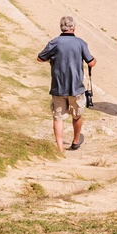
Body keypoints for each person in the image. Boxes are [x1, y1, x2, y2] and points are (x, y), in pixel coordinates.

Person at [37, 16, 95, 151]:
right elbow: (91, 62)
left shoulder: (54, 43)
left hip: (58, 86)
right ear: (73, 28)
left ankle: (60, 148)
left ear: (61, 28)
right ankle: (75, 140)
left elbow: (40, 58)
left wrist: (52, 60)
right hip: (76, 87)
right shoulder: (81, 43)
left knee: (58, 118)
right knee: (77, 115)